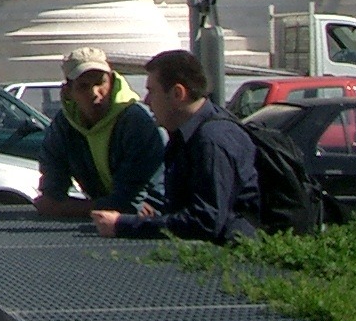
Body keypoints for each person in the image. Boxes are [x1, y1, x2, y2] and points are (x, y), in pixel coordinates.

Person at [94, 50, 259, 246]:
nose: (146, 100)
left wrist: (123, 224)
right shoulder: (187, 135)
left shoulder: (212, 140)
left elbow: (205, 222)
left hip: (230, 256)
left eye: (152, 91)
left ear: (178, 93)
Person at [33, 46, 166, 218]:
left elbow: (132, 204)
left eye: (100, 82)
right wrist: (59, 204)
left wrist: (66, 208)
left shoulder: (137, 122)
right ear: (68, 91)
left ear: (112, 82)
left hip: (159, 217)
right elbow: (51, 194)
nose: (95, 93)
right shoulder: (63, 126)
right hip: (103, 221)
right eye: (83, 86)